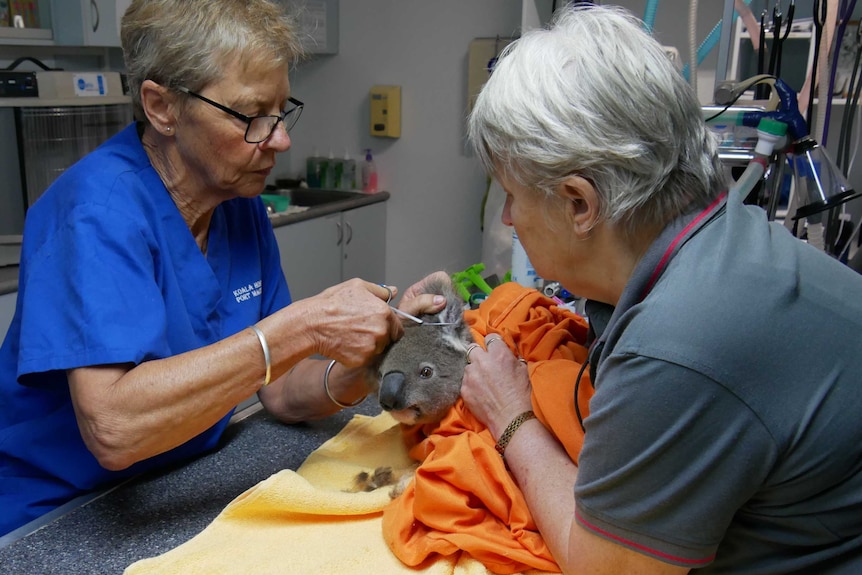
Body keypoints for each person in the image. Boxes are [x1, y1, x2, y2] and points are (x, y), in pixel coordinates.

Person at [0, 0, 444, 537]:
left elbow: (280, 391)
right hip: (63, 514)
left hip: (178, 482)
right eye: (251, 116)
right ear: (161, 107)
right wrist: (301, 326)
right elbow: (115, 429)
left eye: (282, 112)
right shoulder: (97, 214)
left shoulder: (237, 203)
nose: (280, 139)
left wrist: (373, 356)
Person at [461, 4, 862, 574]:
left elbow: (603, 569)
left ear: (579, 203)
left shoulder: (679, 344)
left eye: (511, 194)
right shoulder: (727, 242)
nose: (507, 219)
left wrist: (510, 417)